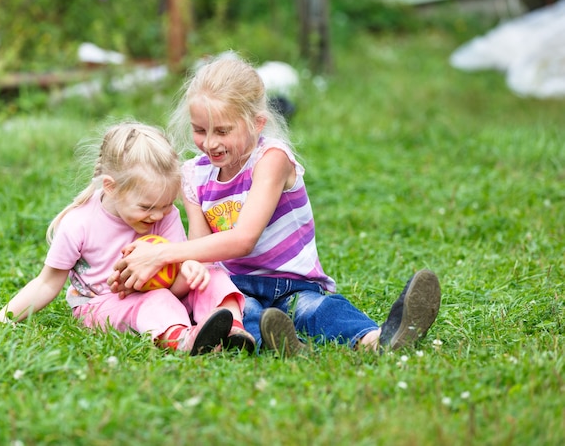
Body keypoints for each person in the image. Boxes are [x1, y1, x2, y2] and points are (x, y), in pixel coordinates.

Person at [108, 56, 441, 356]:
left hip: (289, 281)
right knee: (239, 312)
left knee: (314, 310)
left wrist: (163, 254)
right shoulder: (193, 175)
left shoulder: (272, 160)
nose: (209, 143)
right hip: (234, 284)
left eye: (223, 130)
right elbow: (199, 249)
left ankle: (380, 338)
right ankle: (279, 344)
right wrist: (174, 271)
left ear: (256, 123)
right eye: (199, 130)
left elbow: (244, 239)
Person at [0, 121, 255, 355]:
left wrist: (189, 269)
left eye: (165, 205)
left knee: (211, 274)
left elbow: (175, 281)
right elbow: (46, 283)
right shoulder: (79, 224)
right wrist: (5, 317)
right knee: (156, 299)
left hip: (164, 294)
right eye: (146, 207)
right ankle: (184, 339)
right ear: (111, 187)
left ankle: (233, 328)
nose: (157, 215)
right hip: (100, 304)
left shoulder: (166, 215)